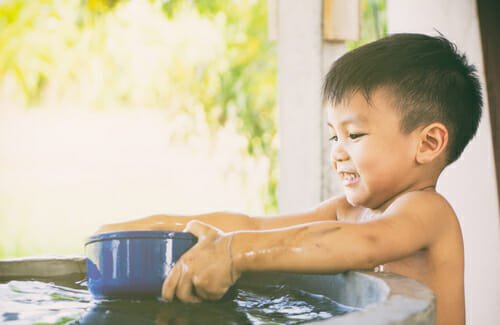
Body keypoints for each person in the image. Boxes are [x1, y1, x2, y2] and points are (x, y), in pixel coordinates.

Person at [97, 33, 482, 325]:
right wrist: (151, 228)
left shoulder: (428, 213)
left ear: (428, 142)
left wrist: (235, 253)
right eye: (334, 135)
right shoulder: (346, 212)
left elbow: (365, 244)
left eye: (355, 135)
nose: (338, 150)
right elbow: (254, 225)